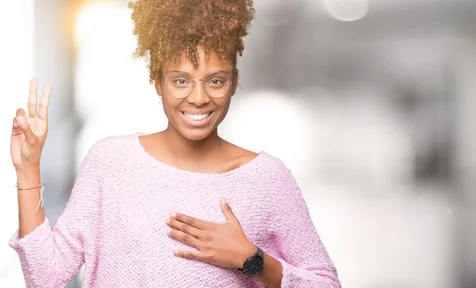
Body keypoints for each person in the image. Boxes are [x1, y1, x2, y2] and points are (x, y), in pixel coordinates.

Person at [8, 0, 340, 287]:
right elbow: (45, 278)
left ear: (234, 82)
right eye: (180, 80)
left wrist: (251, 260)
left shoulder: (266, 178)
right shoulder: (110, 163)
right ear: (157, 82)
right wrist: (27, 169)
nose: (198, 98)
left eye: (215, 81)